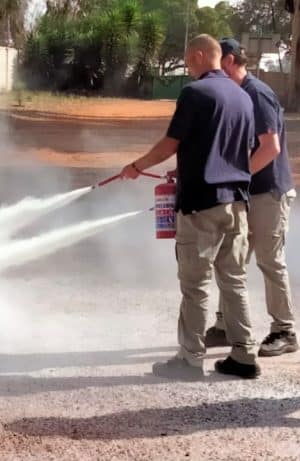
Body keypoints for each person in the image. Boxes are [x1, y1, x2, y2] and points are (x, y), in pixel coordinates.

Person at [119, 34, 259, 380]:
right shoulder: (242, 96)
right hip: (237, 204)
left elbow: (171, 143)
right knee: (234, 281)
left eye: (187, 61)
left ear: (198, 55)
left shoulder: (195, 93)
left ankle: (190, 359)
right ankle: (244, 356)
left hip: (201, 206)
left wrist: (136, 166)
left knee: (195, 285)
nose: (187, 67)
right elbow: (236, 149)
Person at [202, 38, 299, 357]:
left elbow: (270, 148)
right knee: (232, 259)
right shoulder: (233, 94)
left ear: (229, 61)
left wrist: (238, 176)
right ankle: (226, 326)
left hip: (268, 192)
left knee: (270, 261)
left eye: (216, 64)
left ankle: (284, 330)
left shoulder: (257, 94)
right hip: (246, 192)